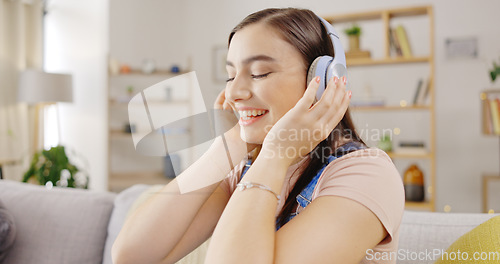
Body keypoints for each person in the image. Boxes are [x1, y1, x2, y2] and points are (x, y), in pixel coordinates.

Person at [112, 7, 404, 264]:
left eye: (260, 73)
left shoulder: (367, 173)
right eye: (231, 75)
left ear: (326, 80)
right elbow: (132, 256)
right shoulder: (244, 169)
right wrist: (229, 145)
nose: (233, 93)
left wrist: (276, 155)